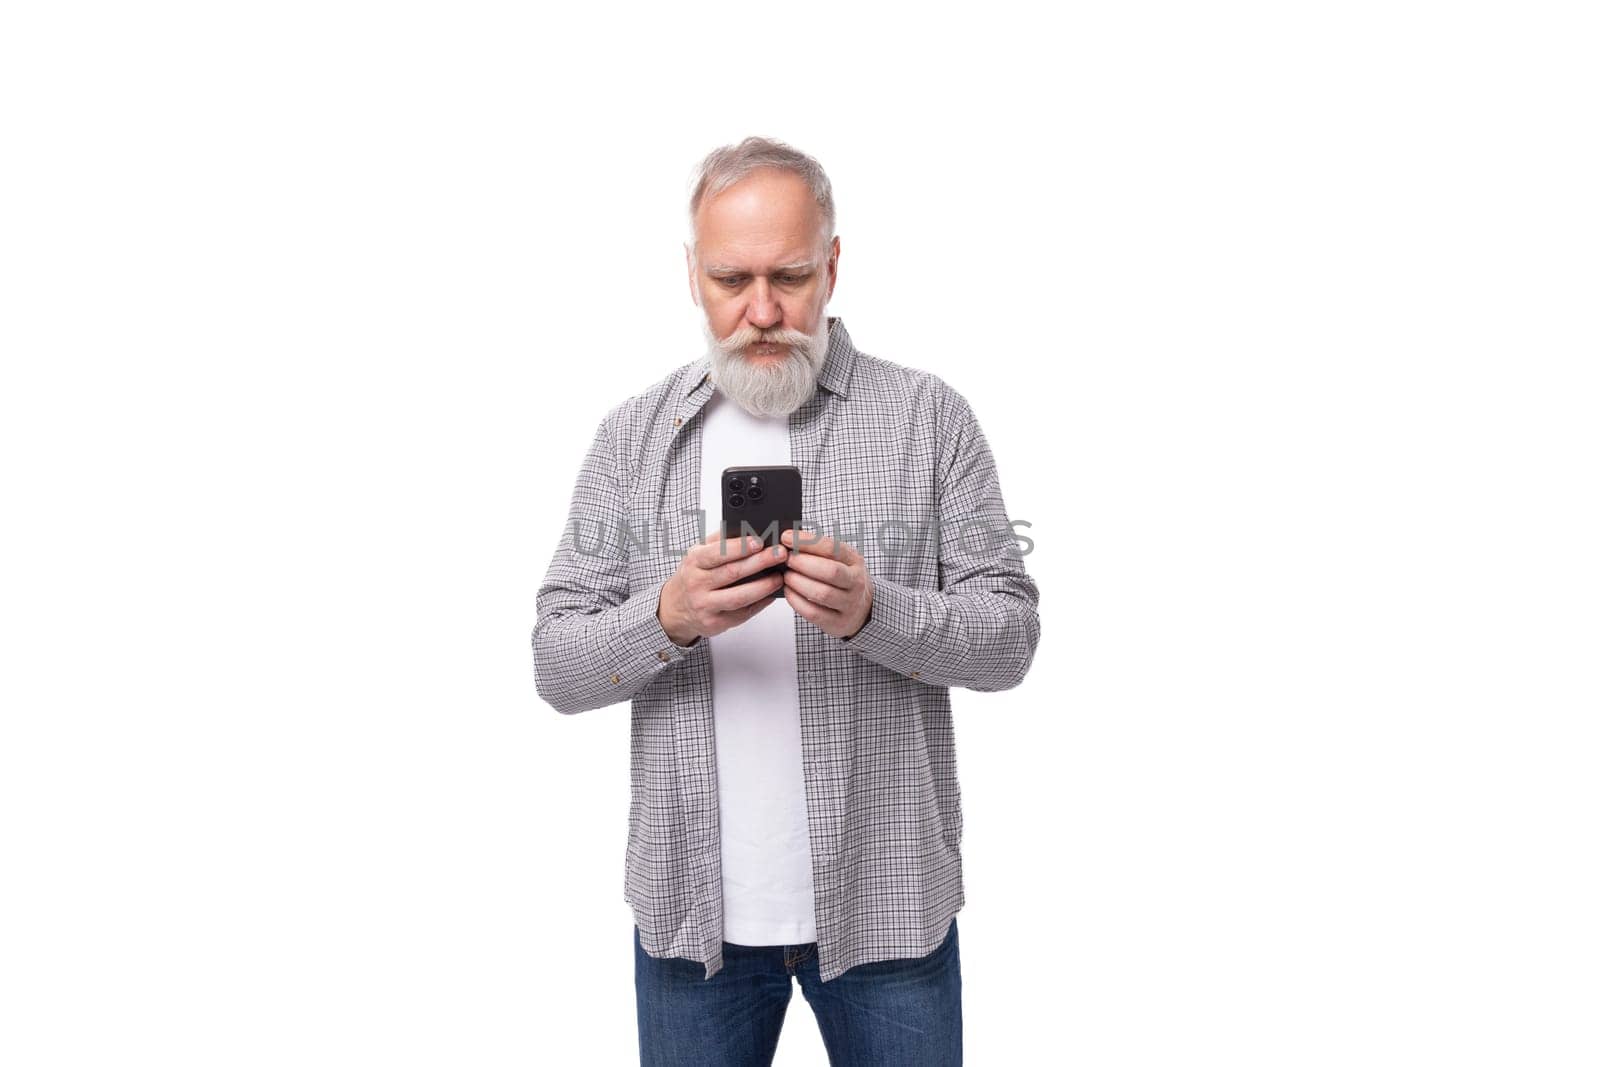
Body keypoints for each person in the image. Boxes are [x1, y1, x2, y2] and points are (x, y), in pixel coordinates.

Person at [532, 136, 1041, 1066]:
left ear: (834, 265)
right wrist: (670, 615)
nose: (761, 311)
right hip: (694, 927)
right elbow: (555, 665)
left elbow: (1009, 637)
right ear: (692, 276)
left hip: (890, 908)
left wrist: (873, 612)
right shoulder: (631, 439)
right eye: (732, 279)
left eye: (791, 276)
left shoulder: (929, 418)